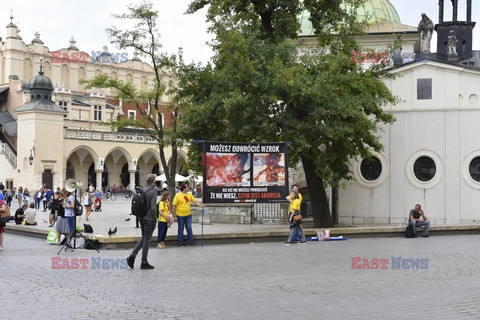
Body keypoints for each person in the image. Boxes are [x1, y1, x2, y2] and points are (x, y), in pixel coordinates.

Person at [127, 174, 158, 270]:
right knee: (147, 241)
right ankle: (144, 262)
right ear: (153, 181)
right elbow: (153, 208)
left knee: (144, 238)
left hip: (141, 217)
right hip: (149, 219)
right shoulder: (153, 191)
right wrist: (155, 218)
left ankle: (132, 256)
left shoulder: (143, 189)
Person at [172, 183, 204, 247]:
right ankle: (181, 243)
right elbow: (174, 206)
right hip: (180, 215)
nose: (188, 188)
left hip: (188, 215)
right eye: (187, 187)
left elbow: (195, 201)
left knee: (189, 228)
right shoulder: (177, 196)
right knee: (181, 228)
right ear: (184, 188)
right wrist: (174, 216)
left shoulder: (189, 195)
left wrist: (200, 205)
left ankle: (190, 242)